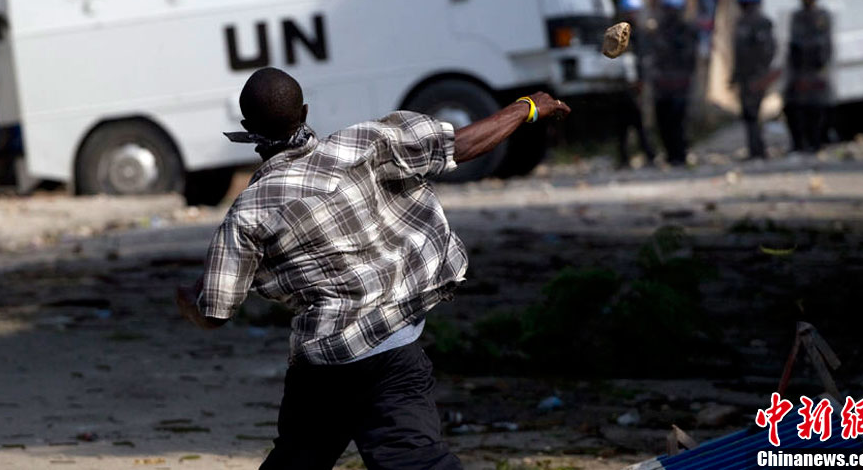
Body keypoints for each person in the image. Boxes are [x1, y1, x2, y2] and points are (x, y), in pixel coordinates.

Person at [176, 67, 570, 470]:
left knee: (298, 459)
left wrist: (189, 300)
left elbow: (214, 311)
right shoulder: (365, 143)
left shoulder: (248, 212)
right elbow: (462, 144)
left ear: (247, 129)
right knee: (413, 459)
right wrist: (526, 108)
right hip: (394, 348)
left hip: (325, 364)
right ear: (305, 111)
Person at [784, 0, 833, 153]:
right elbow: (793, 43)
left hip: (816, 70)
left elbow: (824, 44)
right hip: (799, 70)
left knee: (817, 108)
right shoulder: (797, 16)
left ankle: (817, 141)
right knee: (794, 108)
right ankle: (800, 143)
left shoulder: (822, 16)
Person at [650, 0, 698, 166]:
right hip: (661, 85)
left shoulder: (687, 31)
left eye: (674, 10)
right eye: (668, 9)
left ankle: (680, 155)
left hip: (680, 84)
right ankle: (670, 154)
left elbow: (690, 58)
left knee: (679, 121)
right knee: (663, 121)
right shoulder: (658, 31)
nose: (671, 14)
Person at [731, 0, 776, 159]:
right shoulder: (741, 23)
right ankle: (755, 149)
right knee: (749, 114)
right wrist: (735, 75)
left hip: (757, 76)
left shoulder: (762, 23)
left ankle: (758, 150)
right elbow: (738, 54)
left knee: (752, 112)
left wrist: (762, 74)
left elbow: (768, 51)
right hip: (745, 76)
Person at [615, 0, 656, 168]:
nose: (631, 16)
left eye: (633, 12)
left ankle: (649, 155)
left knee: (640, 123)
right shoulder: (616, 34)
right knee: (622, 124)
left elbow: (645, 60)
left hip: (637, 86)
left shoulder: (642, 34)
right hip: (620, 86)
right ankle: (624, 158)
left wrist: (641, 81)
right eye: (628, 12)